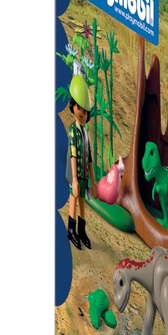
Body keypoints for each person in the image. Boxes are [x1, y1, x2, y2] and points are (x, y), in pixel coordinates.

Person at [67, 73, 98, 250]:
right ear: (73, 107)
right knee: (74, 198)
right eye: (79, 108)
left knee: (82, 202)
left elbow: (89, 158)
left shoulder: (85, 134)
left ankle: (81, 230)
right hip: (75, 175)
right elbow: (73, 154)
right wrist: (74, 179)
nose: (82, 113)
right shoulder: (73, 130)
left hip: (84, 175)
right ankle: (71, 229)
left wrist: (93, 181)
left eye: (85, 111)